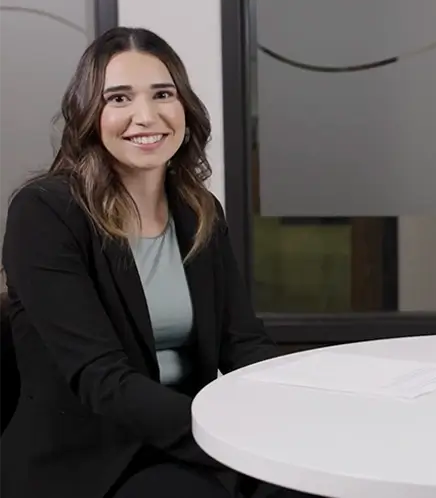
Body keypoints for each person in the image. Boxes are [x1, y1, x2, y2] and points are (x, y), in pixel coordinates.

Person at [0, 28, 312, 498]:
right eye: (118, 98)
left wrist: (310, 407)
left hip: (192, 436)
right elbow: (102, 380)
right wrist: (233, 440)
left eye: (162, 94)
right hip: (92, 458)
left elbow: (243, 344)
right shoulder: (45, 212)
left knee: (319, 481)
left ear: (183, 107)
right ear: (89, 115)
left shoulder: (197, 210)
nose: (145, 116)